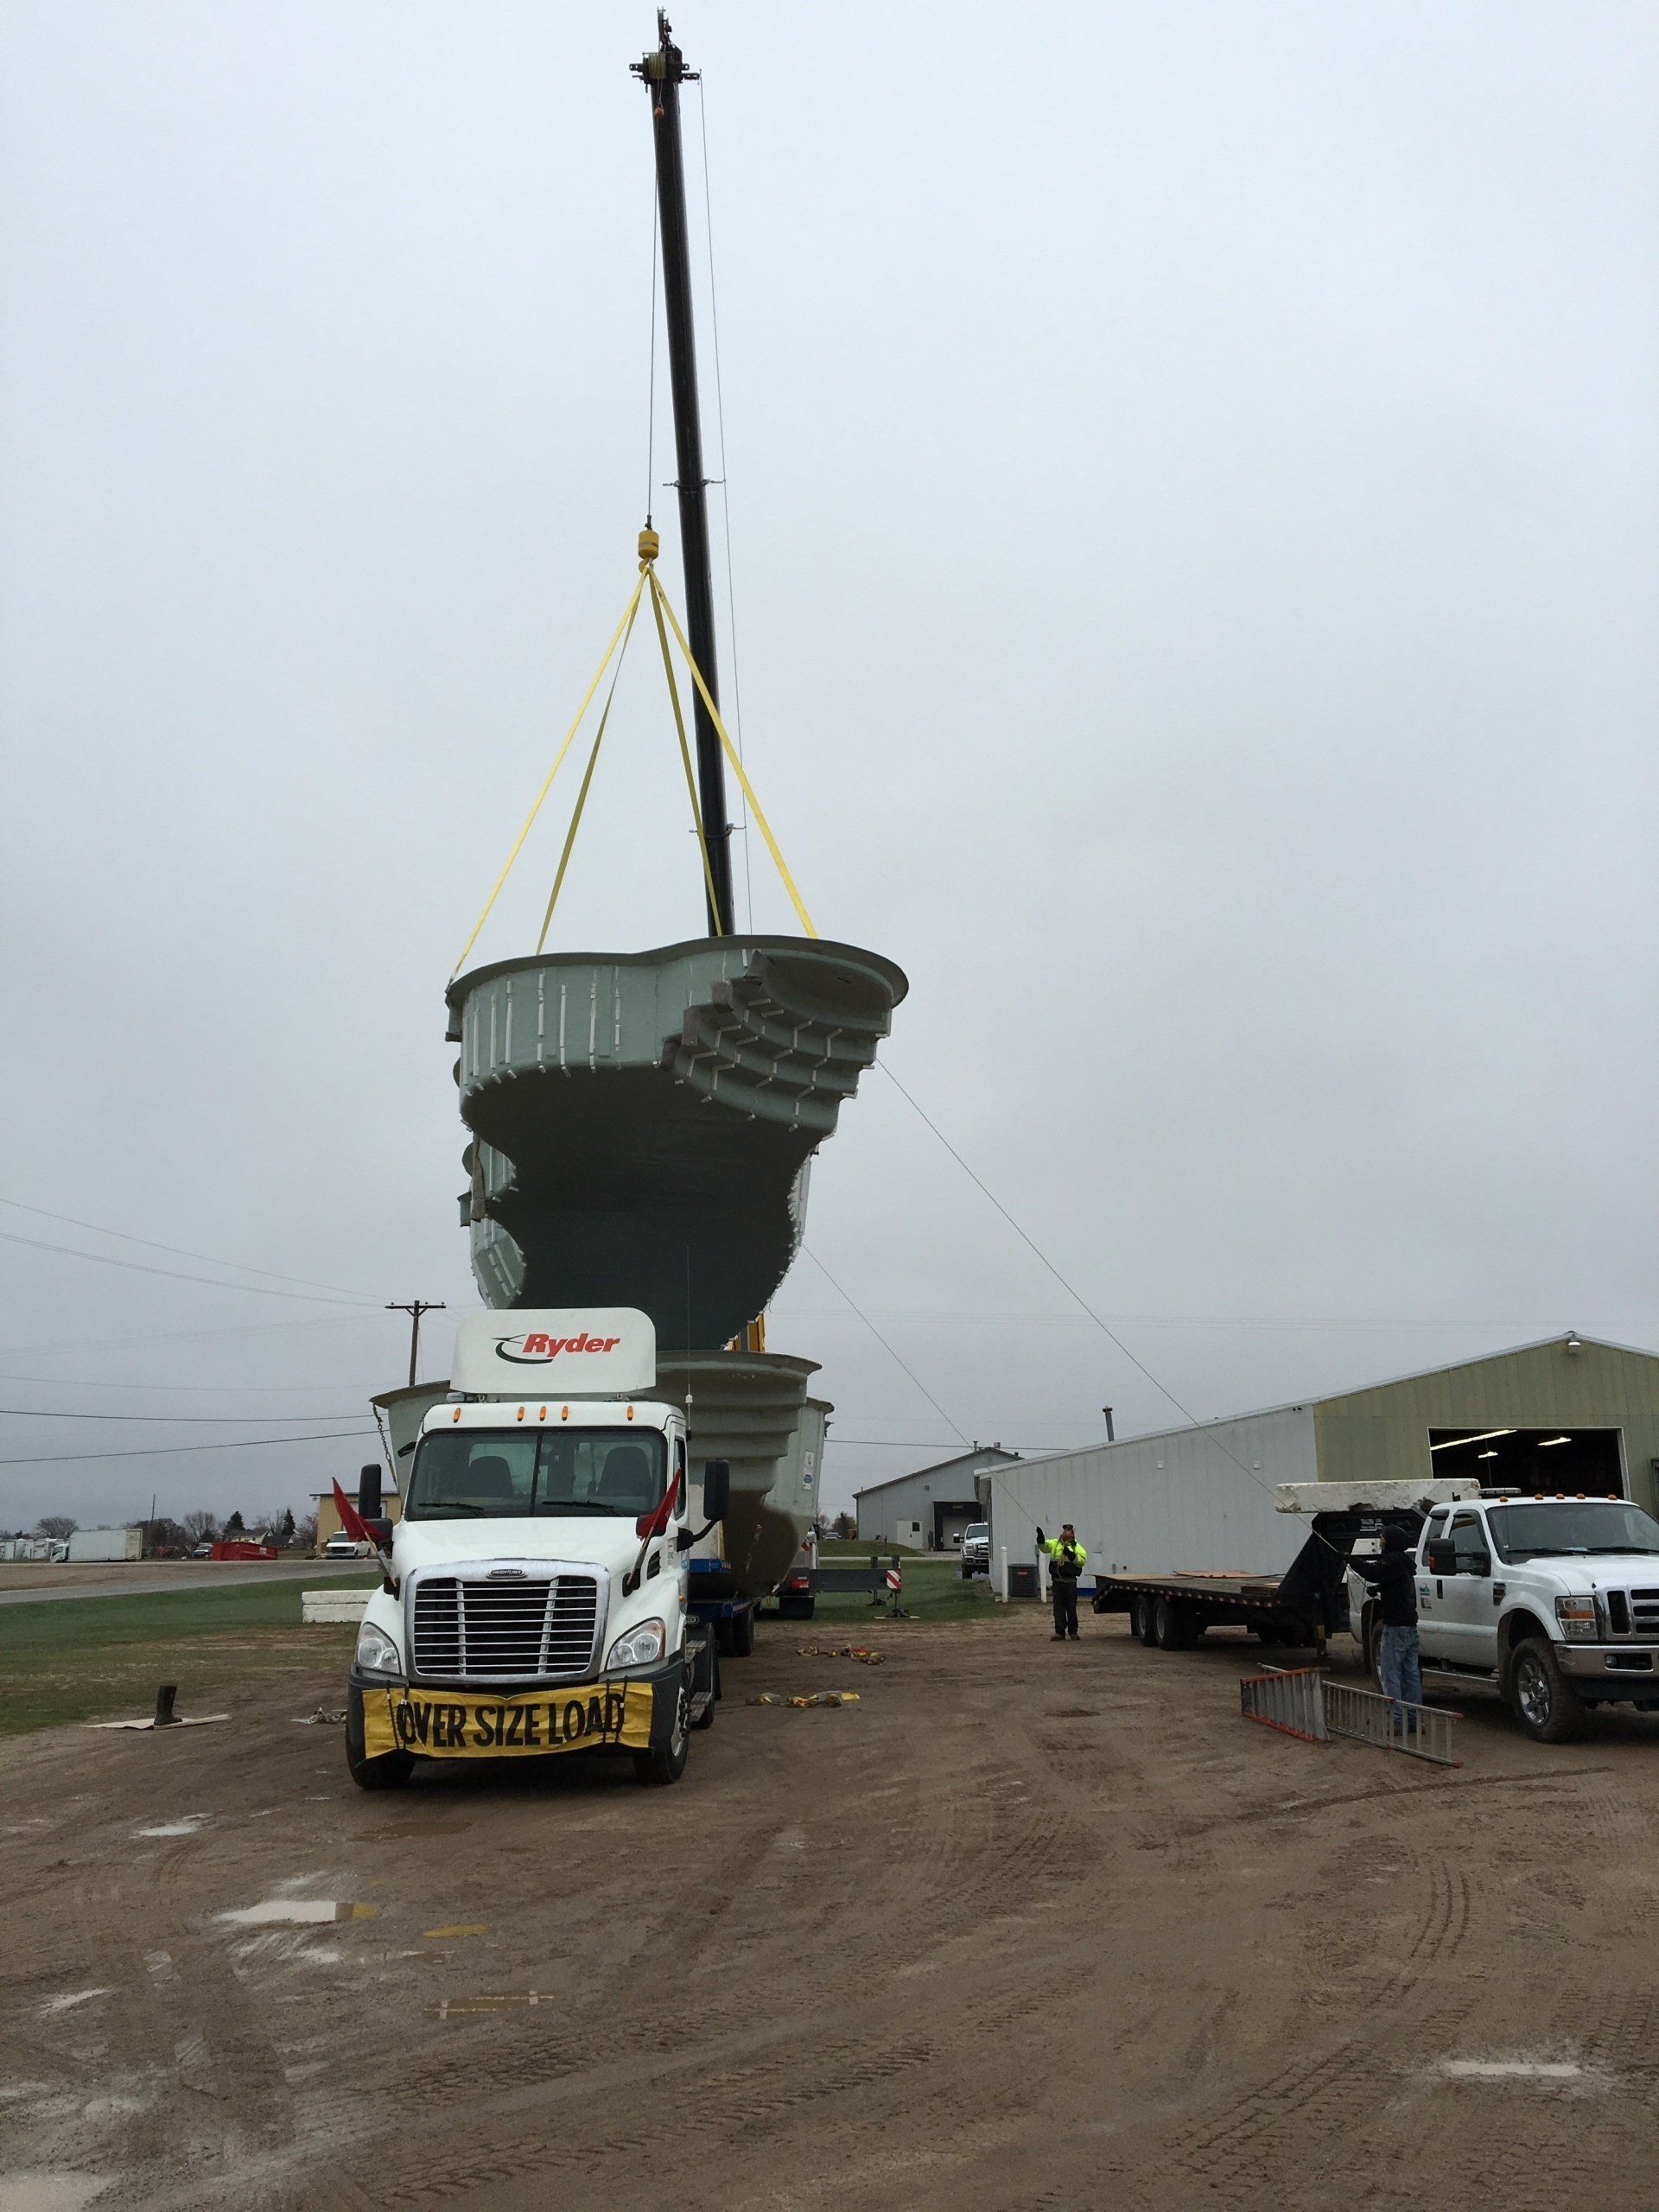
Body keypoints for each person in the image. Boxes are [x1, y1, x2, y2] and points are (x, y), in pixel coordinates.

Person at [1352, 1526, 1422, 1724]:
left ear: (1391, 1541)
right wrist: (1380, 1588)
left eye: (1382, 1538)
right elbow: (1394, 1581)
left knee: (1390, 1675)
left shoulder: (1391, 1561)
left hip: (1395, 1629)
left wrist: (1351, 1560)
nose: (1380, 1542)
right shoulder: (1403, 1563)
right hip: (1410, 1628)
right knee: (1411, 1675)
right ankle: (1414, 1717)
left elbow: (1372, 1571)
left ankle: (1398, 1719)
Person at [1035, 1523, 1087, 1641]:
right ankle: (1060, 1632)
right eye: (1064, 1530)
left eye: (1068, 1531)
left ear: (1072, 1534)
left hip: (1070, 1582)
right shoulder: (1055, 1543)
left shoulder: (1076, 1547)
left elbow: (1082, 1561)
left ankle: (1073, 1631)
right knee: (1058, 1608)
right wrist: (1040, 1537)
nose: (1064, 1532)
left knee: (1071, 1608)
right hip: (1057, 1582)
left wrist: (1070, 1554)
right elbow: (1043, 1547)